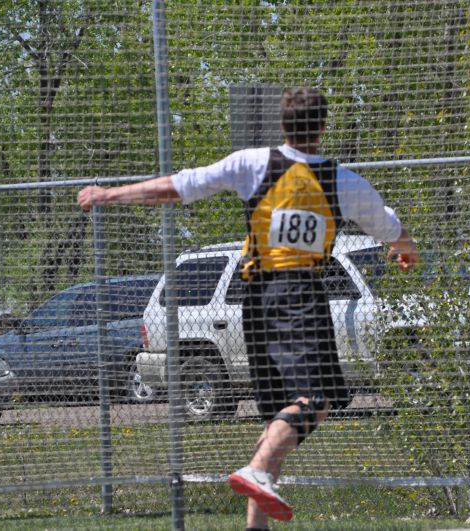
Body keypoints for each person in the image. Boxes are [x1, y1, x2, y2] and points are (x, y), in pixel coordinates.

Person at [78, 87, 418, 530]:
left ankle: (254, 521)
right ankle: (256, 472)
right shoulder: (343, 182)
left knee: (279, 421)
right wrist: (406, 247)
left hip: (252, 301)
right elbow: (388, 225)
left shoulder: (252, 163)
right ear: (323, 128)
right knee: (317, 399)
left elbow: (180, 186)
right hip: (300, 297)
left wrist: (110, 194)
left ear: (283, 126)